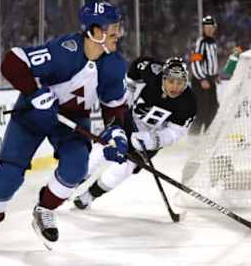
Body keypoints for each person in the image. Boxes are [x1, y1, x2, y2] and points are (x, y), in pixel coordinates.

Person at [0, 0, 130, 248]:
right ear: (94, 32)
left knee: (76, 168)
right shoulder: (64, 50)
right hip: (34, 114)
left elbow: (114, 108)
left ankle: (45, 210)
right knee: (8, 176)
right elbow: (13, 61)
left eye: (119, 27)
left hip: (72, 120)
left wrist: (117, 134)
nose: (119, 34)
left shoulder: (115, 66)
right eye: (112, 29)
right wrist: (34, 93)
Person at [72, 56, 196, 210]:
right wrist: (128, 90)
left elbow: (174, 133)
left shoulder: (189, 103)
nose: (175, 87)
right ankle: (67, 186)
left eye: (180, 83)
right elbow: (136, 65)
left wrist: (151, 140)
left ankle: (90, 195)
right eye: (171, 81)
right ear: (163, 78)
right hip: (128, 120)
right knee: (99, 152)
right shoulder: (153, 71)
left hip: (152, 134)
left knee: (124, 168)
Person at [189, 15, 219, 135]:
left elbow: (211, 61)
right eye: (206, 27)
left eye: (210, 26)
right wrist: (202, 79)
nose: (208, 29)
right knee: (202, 110)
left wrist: (215, 75)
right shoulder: (201, 42)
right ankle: (193, 137)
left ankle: (207, 135)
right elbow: (195, 61)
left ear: (214, 27)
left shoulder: (213, 43)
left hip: (209, 81)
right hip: (200, 81)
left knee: (213, 109)